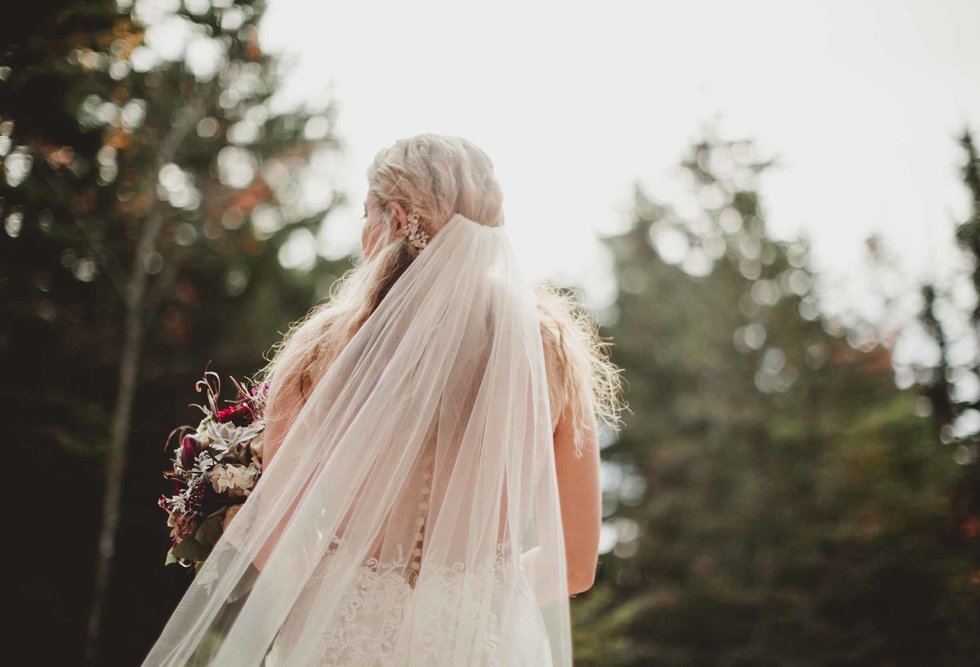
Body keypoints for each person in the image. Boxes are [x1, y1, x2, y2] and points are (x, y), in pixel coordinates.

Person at [141, 133, 624, 666]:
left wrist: (233, 511)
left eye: (365, 213)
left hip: (340, 640)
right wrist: (473, 596)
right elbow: (575, 564)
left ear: (394, 218)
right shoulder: (548, 353)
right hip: (482, 645)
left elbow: (277, 549)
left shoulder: (324, 347)